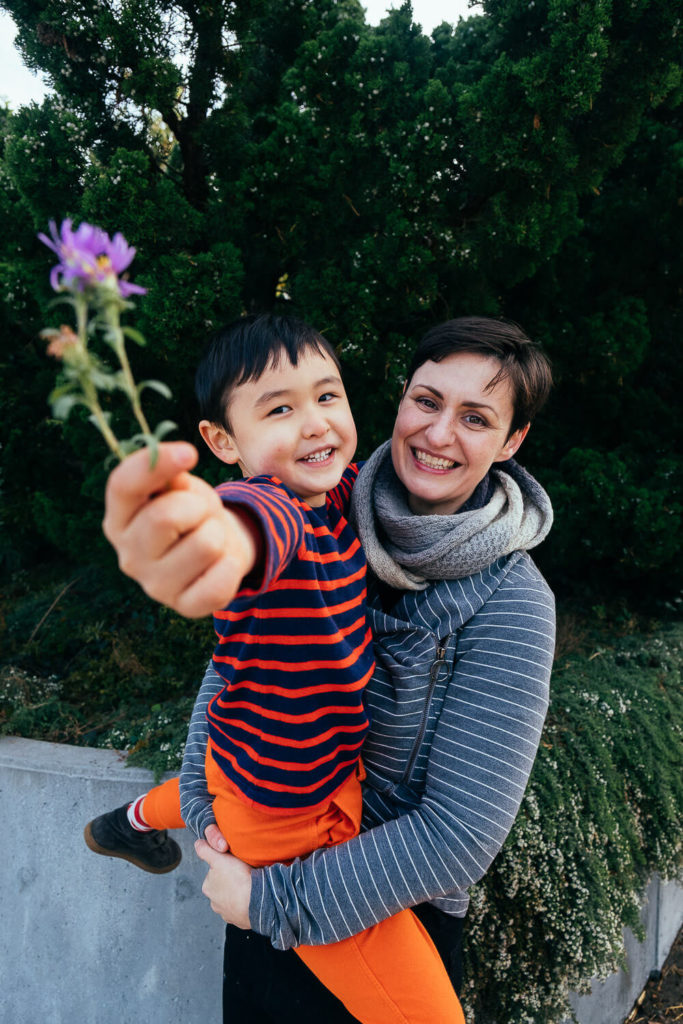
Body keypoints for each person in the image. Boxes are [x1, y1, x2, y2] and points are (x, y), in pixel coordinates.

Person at [100, 316, 556, 1021]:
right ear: (401, 398)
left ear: (512, 440)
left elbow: (458, 835)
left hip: (376, 908)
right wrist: (211, 816)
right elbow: (232, 671)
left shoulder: (511, 600)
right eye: (428, 402)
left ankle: (133, 819)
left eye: (476, 417)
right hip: (258, 883)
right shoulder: (323, 501)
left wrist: (271, 898)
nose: (438, 434)